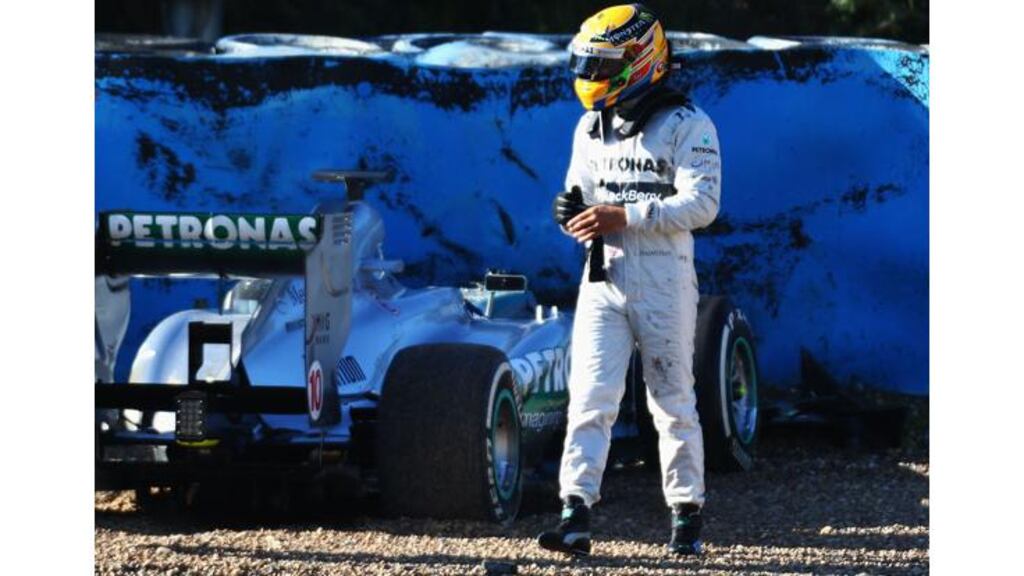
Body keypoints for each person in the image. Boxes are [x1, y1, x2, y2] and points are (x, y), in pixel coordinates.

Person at [537, 3, 722, 558]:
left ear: (639, 60)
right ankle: (575, 514)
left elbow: (704, 204)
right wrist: (569, 210)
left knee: (670, 397)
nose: (590, 76)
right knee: (590, 397)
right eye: (587, 64)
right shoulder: (588, 127)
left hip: (664, 278)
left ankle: (686, 519)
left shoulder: (689, 124)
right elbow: (581, 192)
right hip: (603, 275)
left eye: (601, 64)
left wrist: (625, 215)